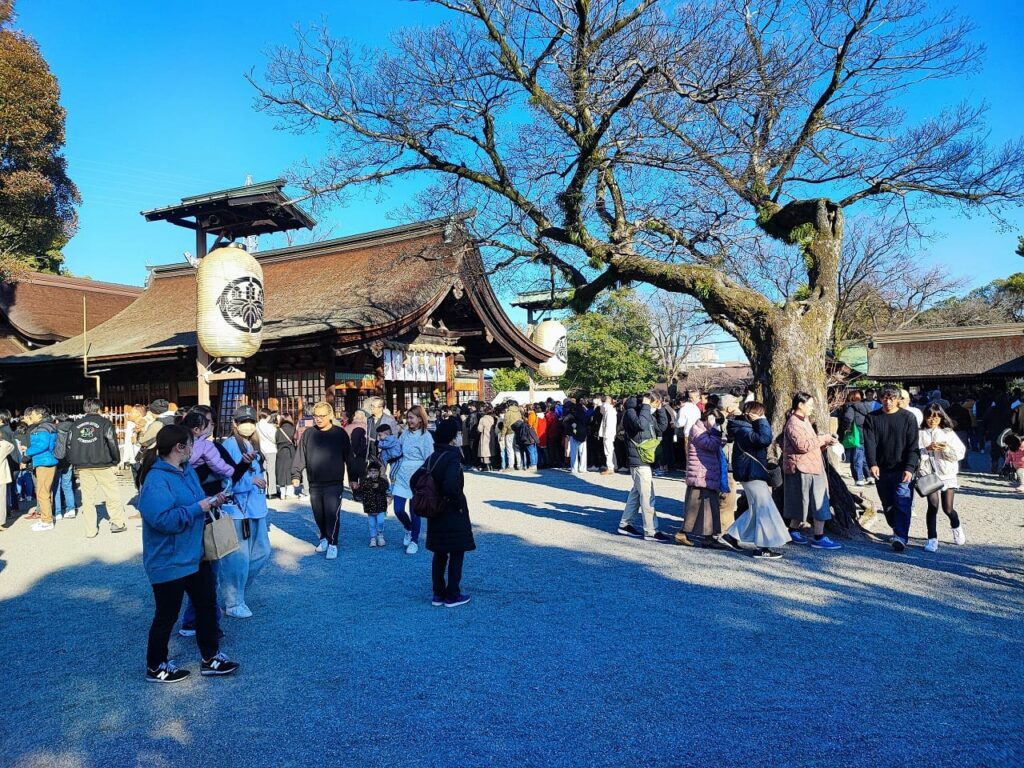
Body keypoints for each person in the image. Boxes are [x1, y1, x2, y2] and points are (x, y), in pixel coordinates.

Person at [137, 424, 239, 682]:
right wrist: (198, 507)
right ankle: (156, 665)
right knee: (166, 615)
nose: (195, 449)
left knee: (206, 604)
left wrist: (212, 500)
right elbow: (161, 519)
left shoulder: (187, 470)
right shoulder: (156, 479)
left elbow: (196, 500)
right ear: (179, 448)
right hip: (168, 558)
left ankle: (211, 656)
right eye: (191, 444)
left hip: (195, 552)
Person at [415, 418, 475, 608]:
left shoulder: (433, 456)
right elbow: (450, 484)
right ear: (452, 438)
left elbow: (415, 479)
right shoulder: (453, 457)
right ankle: (453, 594)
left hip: (436, 511)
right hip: (451, 510)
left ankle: (438, 593)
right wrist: (456, 502)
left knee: (440, 553)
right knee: (457, 551)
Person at [219, 406, 272, 618]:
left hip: (255, 508)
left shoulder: (253, 443)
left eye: (251, 421)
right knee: (237, 558)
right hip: (238, 509)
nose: (248, 425)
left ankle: (237, 593)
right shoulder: (230, 445)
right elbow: (226, 480)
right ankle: (233, 602)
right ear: (235, 423)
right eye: (243, 421)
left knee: (261, 553)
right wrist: (252, 481)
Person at [722, 401, 790, 558]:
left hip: (752, 472)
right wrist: (762, 421)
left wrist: (759, 421)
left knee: (756, 508)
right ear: (752, 414)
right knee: (764, 508)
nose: (762, 416)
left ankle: (732, 536)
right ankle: (763, 547)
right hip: (750, 473)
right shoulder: (742, 429)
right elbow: (764, 439)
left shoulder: (743, 427)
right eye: (760, 413)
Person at [291, 401, 356, 560]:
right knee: (318, 513)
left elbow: (349, 457)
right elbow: (301, 455)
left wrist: (353, 478)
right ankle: (324, 538)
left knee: (332, 513)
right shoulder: (308, 434)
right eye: (316, 416)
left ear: (330, 416)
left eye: (322, 416)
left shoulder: (340, 434)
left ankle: (333, 542)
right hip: (315, 482)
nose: (318, 419)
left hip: (334, 482)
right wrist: (296, 475)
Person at [781, 392, 842, 551]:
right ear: (800, 405)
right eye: (810, 405)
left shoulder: (803, 421)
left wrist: (825, 443)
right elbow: (803, 446)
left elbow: (809, 446)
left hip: (809, 466)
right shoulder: (794, 423)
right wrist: (824, 438)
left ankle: (793, 531)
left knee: (802, 501)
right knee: (818, 501)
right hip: (805, 468)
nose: (812, 408)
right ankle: (819, 537)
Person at [863, 386, 920, 553]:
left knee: (902, 501)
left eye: (891, 398)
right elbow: (870, 443)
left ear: (898, 400)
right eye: (885, 398)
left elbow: (913, 445)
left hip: (903, 468)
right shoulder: (872, 418)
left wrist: (910, 467)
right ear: (880, 399)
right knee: (888, 504)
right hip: (882, 468)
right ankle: (896, 527)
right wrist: (872, 463)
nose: (888, 401)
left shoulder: (908, 418)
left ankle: (901, 537)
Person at [68, 398, 128, 538]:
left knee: (88, 499)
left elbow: (69, 445)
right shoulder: (105, 423)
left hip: (83, 466)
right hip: (104, 464)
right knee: (112, 494)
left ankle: (90, 530)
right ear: (99, 408)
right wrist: (116, 460)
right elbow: (112, 442)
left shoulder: (76, 424)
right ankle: (117, 523)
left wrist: (74, 461)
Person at [617, 393, 671, 542]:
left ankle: (625, 524)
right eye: (654, 404)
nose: (654, 407)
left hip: (644, 459)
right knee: (648, 496)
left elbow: (661, 427)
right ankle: (651, 530)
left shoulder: (645, 413)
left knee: (636, 493)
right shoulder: (631, 412)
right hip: (639, 461)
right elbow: (640, 425)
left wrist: (660, 410)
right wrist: (647, 406)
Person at [677, 408, 731, 548]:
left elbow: (721, 441)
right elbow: (711, 445)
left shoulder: (704, 430)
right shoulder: (697, 430)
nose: (716, 425)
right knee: (697, 508)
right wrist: (716, 431)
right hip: (700, 474)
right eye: (715, 421)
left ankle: (707, 537)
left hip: (706, 474)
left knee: (707, 507)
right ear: (708, 417)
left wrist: (718, 432)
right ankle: (686, 533)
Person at [918, 403, 967, 552]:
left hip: (947, 474)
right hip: (929, 474)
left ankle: (956, 526)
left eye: (936, 417)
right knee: (932, 507)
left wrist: (945, 448)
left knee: (948, 508)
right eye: (929, 417)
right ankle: (932, 539)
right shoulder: (920, 433)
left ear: (941, 417)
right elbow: (913, 453)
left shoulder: (948, 433)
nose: (932, 420)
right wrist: (926, 450)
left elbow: (959, 454)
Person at [392, 405, 434, 554]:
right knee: (397, 509)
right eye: (407, 417)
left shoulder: (426, 436)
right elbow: (398, 449)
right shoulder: (405, 434)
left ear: (420, 419)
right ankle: (408, 527)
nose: (408, 420)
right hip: (403, 473)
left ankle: (414, 540)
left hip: (418, 475)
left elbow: (429, 458)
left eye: (411, 417)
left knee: (415, 510)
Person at [22, 406, 58, 532]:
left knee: (42, 492)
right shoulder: (48, 425)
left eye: (33, 414)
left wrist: (27, 451)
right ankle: (46, 517)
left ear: (40, 415)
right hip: (46, 460)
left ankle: (47, 521)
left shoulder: (43, 428)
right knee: (46, 491)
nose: (31, 416)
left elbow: (42, 445)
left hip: (44, 461)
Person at [840, 391, 873, 486]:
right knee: (864, 457)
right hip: (866, 435)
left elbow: (848, 418)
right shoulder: (866, 406)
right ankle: (869, 477)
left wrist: (846, 428)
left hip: (856, 435)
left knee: (856, 458)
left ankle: (859, 478)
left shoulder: (850, 407)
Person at [360, 460, 389, 547]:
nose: (373, 473)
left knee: (380, 521)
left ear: (379, 472)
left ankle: (380, 535)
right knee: (371, 524)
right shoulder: (365, 481)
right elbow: (362, 488)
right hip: (370, 507)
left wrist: (378, 486)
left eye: (375, 471)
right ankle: (373, 538)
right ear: (368, 472)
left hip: (381, 507)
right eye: (371, 471)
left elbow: (386, 487)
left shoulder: (383, 481)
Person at [256, 410, 279, 498]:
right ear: (268, 416)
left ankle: (264, 490)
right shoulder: (270, 426)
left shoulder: (256, 425)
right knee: (271, 471)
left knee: (264, 470)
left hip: (261, 449)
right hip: (271, 449)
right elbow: (274, 438)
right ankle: (272, 492)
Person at [0, 412, 16, 532]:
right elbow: (11, 446)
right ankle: (1, 522)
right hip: (1, 477)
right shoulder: (3, 447)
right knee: (1, 499)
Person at [275, 413, 297, 498]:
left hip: (280, 452)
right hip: (291, 451)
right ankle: (290, 493)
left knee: (281, 471)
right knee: (290, 471)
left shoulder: (278, 430)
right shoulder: (293, 428)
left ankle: (282, 493)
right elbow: (295, 439)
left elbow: (276, 440)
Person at [501, 400, 523, 471]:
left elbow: (505, 425)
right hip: (518, 432)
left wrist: (502, 434)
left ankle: (511, 466)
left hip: (510, 432)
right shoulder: (518, 412)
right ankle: (519, 465)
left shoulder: (508, 413)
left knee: (510, 449)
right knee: (517, 449)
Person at [568, 401, 589, 474]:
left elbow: (568, 424)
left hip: (574, 434)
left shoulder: (572, 416)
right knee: (583, 453)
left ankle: (574, 468)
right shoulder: (584, 416)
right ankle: (582, 468)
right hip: (583, 435)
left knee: (574, 453)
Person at [598, 395, 617, 475]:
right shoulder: (610, 409)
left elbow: (608, 424)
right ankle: (614, 465)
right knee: (611, 450)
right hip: (610, 432)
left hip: (608, 433)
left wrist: (605, 433)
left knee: (608, 451)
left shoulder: (609, 410)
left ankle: (610, 467)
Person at [476, 405, 496, 471]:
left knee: (485, 451)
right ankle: (491, 465)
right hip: (492, 436)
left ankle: (486, 466)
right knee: (491, 450)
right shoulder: (492, 418)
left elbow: (480, 429)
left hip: (485, 436)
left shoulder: (482, 419)